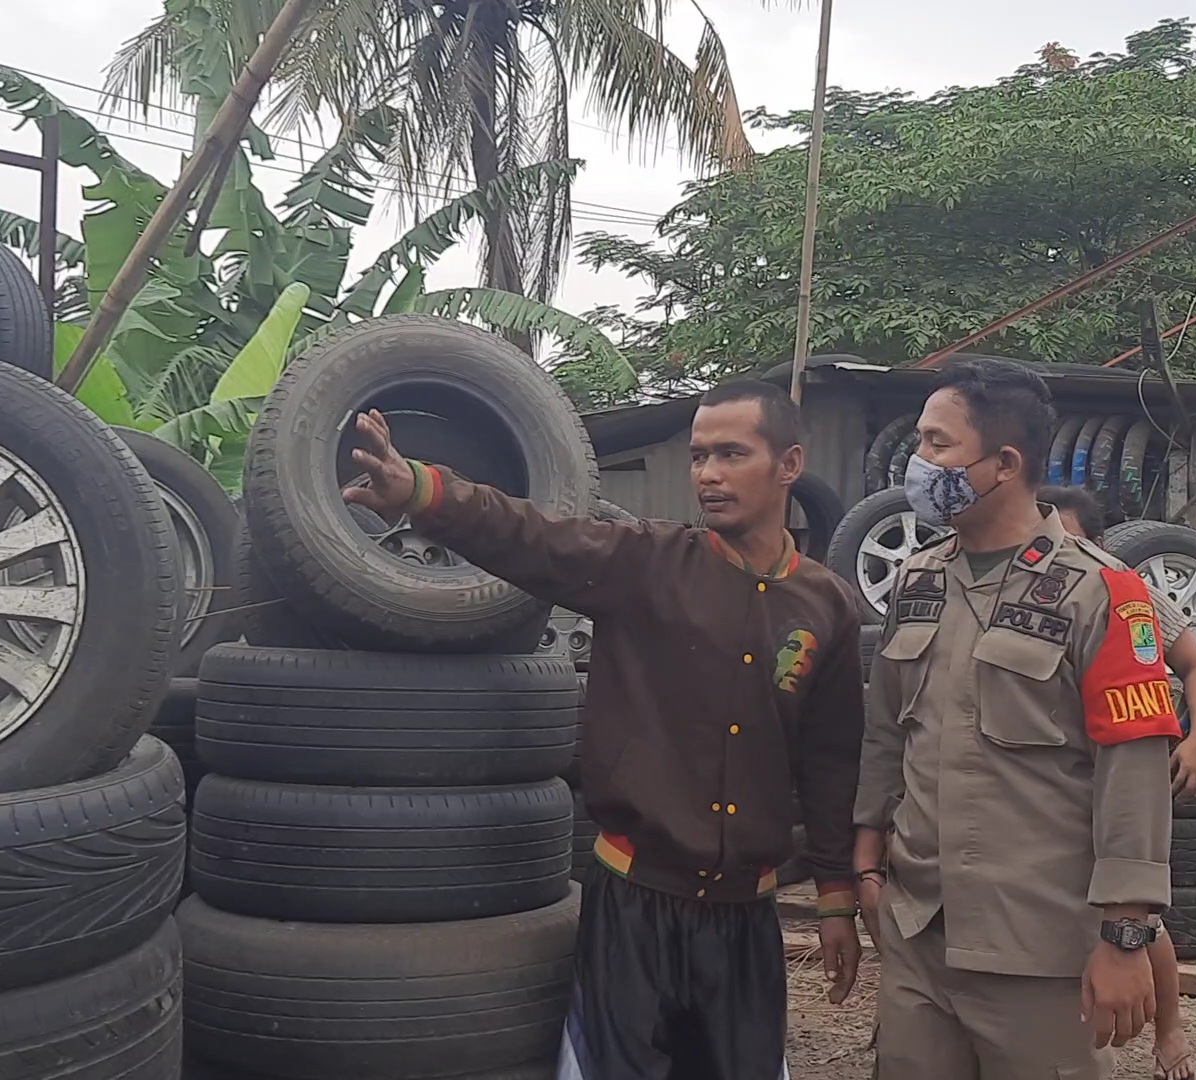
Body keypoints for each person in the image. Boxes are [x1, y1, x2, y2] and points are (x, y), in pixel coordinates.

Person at [343, 379, 865, 1080]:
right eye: (699, 456)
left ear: (789, 464)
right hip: (634, 908)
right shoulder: (644, 564)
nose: (708, 474)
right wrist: (420, 491)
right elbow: (530, 534)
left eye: (731, 454)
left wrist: (835, 901)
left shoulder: (825, 605)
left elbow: (830, 761)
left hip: (746, 918)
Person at [854, 357, 1181, 1080]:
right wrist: (866, 856)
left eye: (936, 444)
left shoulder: (1103, 593)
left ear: (1003, 463)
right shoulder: (917, 579)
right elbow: (886, 732)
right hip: (917, 932)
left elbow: (1134, 770)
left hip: (1038, 949)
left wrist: (1126, 935)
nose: (918, 463)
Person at [1037, 483, 1196, 1080]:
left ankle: (1169, 1033)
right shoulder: (1019, 590)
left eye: (1069, 536)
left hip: (1126, 771)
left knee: (1137, 915)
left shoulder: (1123, 589)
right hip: (1057, 784)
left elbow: (1195, 665)